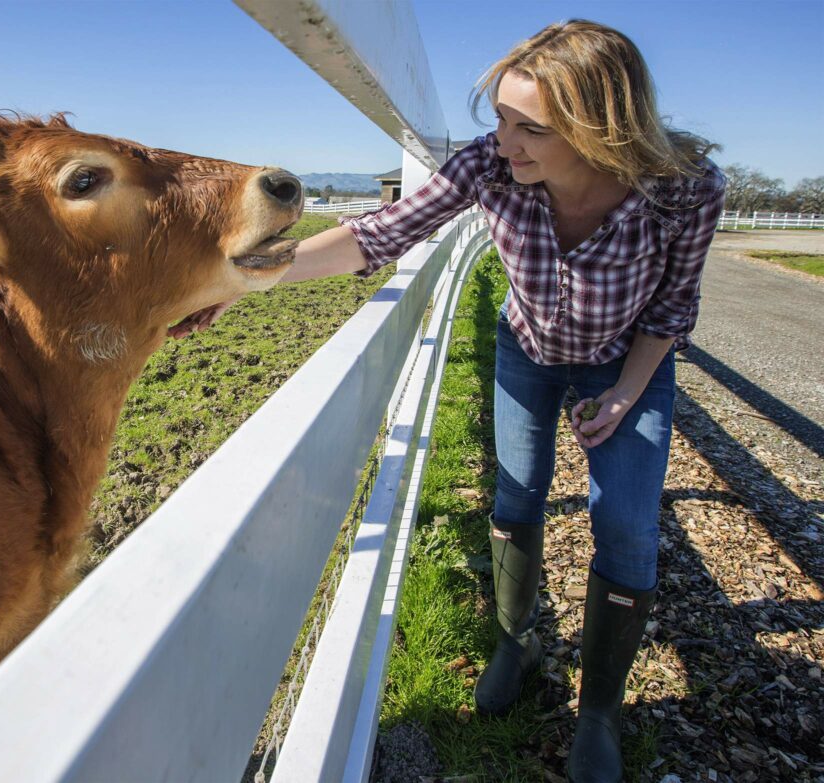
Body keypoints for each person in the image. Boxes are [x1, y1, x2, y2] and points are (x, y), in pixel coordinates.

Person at [171, 19, 725, 783]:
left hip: (629, 362)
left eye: (530, 127)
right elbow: (379, 234)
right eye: (499, 118)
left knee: (628, 526)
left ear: (600, 128)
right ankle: (516, 638)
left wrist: (628, 393)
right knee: (517, 492)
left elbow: (672, 309)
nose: (504, 142)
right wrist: (245, 279)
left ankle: (598, 710)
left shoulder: (685, 190)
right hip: (526, 348)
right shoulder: (491, 168)